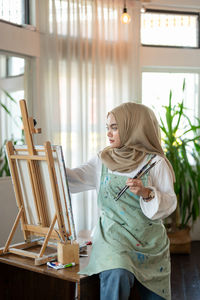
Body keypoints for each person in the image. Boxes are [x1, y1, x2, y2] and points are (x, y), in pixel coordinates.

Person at [66, 102, 177, 300]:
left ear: (134, 127)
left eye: (115, 127)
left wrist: (146, 193)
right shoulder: (102, 160)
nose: (108, 133)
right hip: (112, 238)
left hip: (150, 243)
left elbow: (169, 202)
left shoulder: (156, 162)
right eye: (107, 127)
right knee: (117, 273)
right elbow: (74, 178)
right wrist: (48, 163)